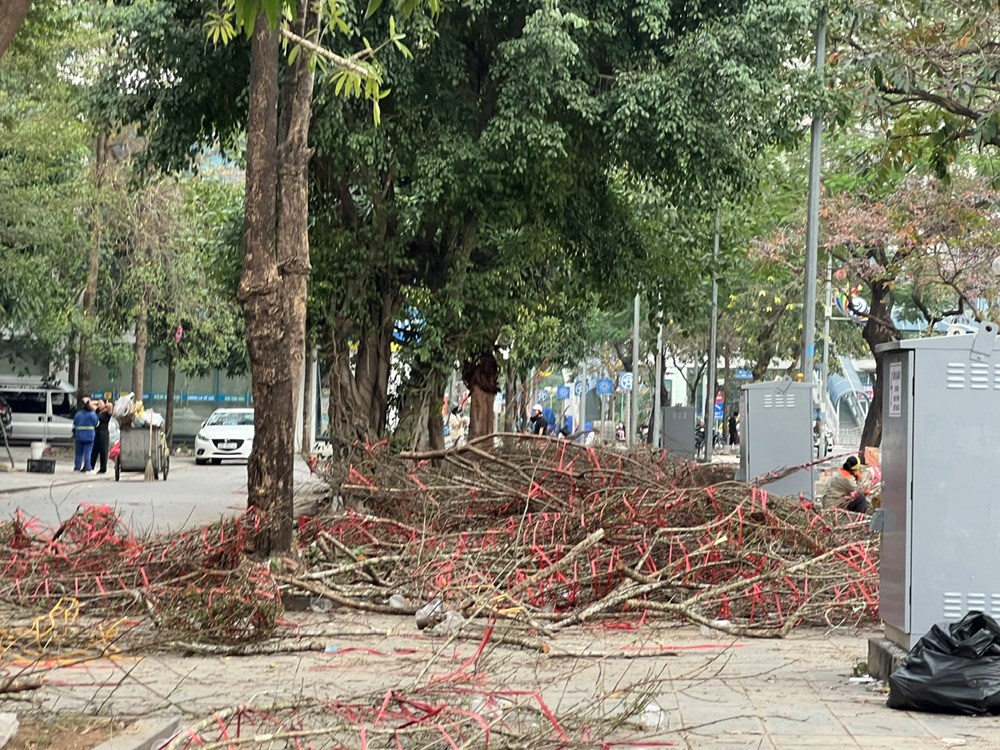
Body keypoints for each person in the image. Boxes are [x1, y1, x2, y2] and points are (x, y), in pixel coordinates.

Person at [72, 399, 99, 473]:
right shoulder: (92, 414)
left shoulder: (78, 414)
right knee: (88, 452)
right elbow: (96, 424)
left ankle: (77, 467)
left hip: (79, 436)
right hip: (89, 436)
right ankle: (88, 467)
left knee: (78, 453)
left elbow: (74, 425)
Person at [91, 399, 112, 474]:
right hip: (96, 431)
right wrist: (98, 402)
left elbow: (110, 405)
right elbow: (90, 403)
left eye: (100, 403)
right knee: (94, 450)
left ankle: (103, 468)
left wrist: (104, 405)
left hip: (104, 432)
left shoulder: (107, 412)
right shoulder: (97, 411)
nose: (99, 405)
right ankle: (91, 466)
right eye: (98, 404)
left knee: (103, 450)